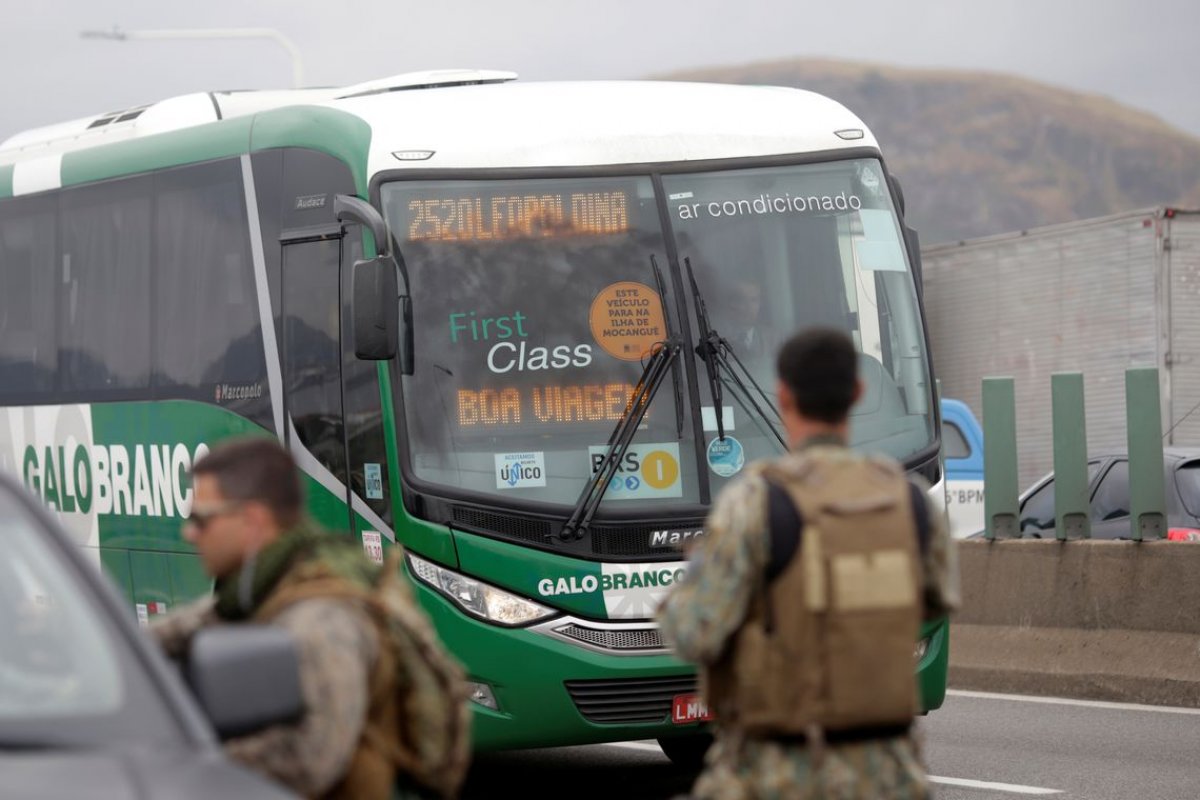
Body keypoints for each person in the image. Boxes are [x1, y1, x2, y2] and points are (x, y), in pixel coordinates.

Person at [658, 327, 958, 799]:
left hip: (779, 772)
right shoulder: (911, 503)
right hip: (888, 775)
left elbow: (692, 630)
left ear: (783, 396)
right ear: (857, 393)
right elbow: (934, 604)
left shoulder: (755, 504)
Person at [151, 437, 470, 800]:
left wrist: (183, 771)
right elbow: (185, 628)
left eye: (201, 519)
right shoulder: (268, 583)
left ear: (253, 520)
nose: (188, 533)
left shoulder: (321, 619)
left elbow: (311, 757)